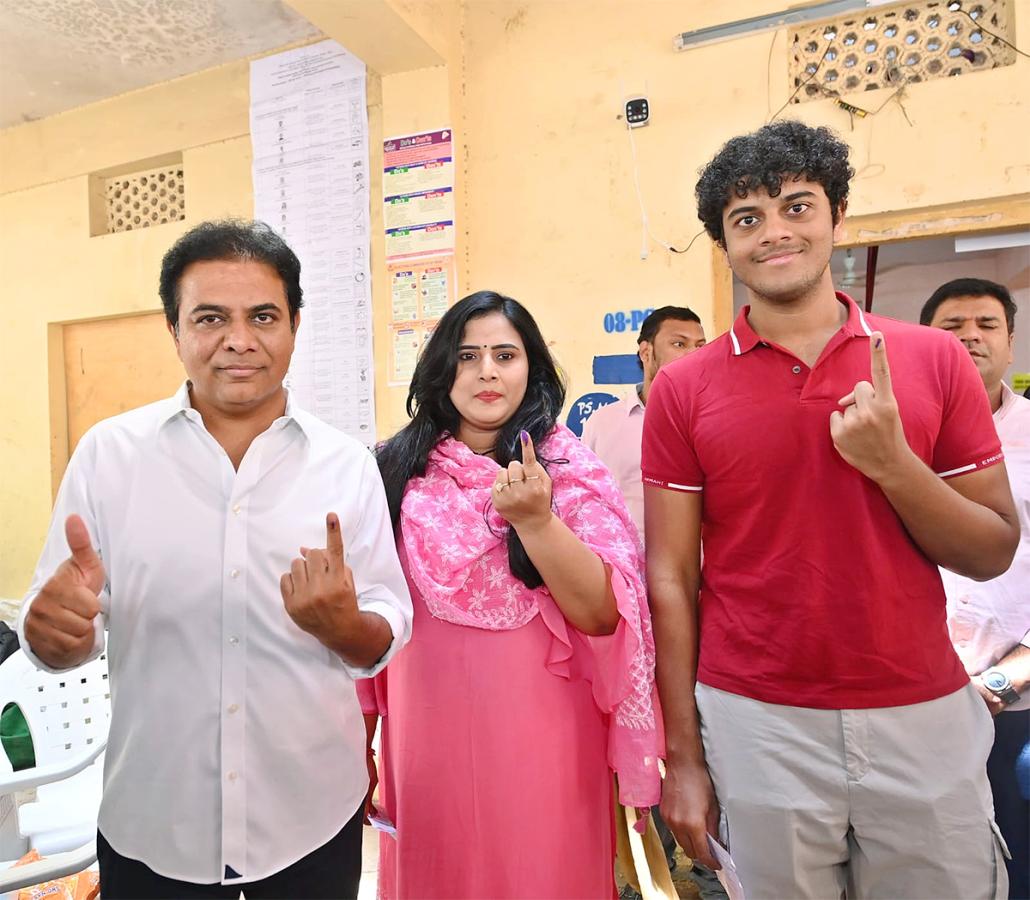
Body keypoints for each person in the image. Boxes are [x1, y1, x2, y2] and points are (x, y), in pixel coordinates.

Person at [642, 121, 1019, 899]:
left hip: (922, 708)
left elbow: (991, 548)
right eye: (747, 219)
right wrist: (683, 755)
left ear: (836, 217)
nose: (775, 233)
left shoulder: (932, 359)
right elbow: (671, 579)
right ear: (725, 242)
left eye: (797, 207)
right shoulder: (684, 390)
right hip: (755, 720)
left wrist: (894, 465)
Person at [17, 220, 413, 899]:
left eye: (263, 316)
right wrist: (50, 635)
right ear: (174, 330)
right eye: (209, 318)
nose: (238, 340)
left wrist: (342, 625)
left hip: (311, 816)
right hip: (153, 820)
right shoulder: (109, 458)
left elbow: (384, 624)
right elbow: (59, 631)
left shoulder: (346, 465)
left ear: (294, 325)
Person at [362, 290, 661, 898]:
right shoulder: (391, 472)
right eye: (467, 356)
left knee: (542, 874)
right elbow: (365, 611)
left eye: (505, 354)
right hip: (426, 732)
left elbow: (605, 615)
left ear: (533, 369)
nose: (487, 372)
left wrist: (537, 522)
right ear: (441, 369)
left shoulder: (569, 469)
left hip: (548, 734)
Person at [921, 277, 1030, 898]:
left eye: (986, 325)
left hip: (1012, 703)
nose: (969, 337)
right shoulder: (895, 436)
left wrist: (1004, 678)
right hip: (913, 701)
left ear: (1011, 344)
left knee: (1014, 867)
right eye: (951, 327)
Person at [582, 306, 706, 537]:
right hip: (623, 564)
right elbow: (585, 500)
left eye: (700, 346)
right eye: (679, 344)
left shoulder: (713, 422)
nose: (693, 355)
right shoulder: (603, 423)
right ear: (645, 352)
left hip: (696, 567)